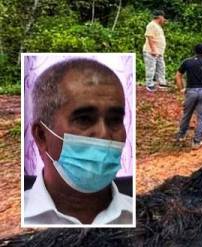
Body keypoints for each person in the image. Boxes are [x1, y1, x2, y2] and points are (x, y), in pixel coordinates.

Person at [25, 59, 132, 225]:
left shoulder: (142, 216)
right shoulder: (17, 222)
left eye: (115, 119)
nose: (103, 133)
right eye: (84, 119)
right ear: (41, 136)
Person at [143, 10, 168, 92]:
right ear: (160, 17)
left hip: (159, 52)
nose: (164, 19)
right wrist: (153, 50)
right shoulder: (151, 25)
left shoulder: (157, 26)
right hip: (151, 51)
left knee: (161, 67)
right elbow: (149, 37)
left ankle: (161, 82)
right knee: (151, 68)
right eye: (163, 17)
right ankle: (149, 84)